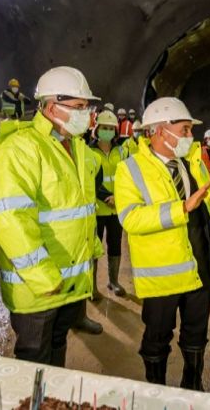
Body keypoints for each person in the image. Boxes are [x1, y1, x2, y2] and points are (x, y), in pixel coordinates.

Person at [114, 97, 210, 390]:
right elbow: (130, 218)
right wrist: (180, 209)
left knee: (197, 334)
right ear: (160, 130)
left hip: (199, 268)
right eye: (184, 130)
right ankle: (155, 389)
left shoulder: (193, 163)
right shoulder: (130, 169)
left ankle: (192, 385)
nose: (190, 137)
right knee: (157, 336)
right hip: (163, 274)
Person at [0, 66, 103, 364]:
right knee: (34, 357)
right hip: (36, 288)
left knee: (57, 348)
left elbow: (81, 211)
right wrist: (44, 278)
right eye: (79, 107)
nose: (86, 113)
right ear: (52, 107)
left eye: (87, 107)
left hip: (68, 282)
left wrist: (91, 251)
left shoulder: (78, 148)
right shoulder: (20, 149)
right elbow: (11, 221)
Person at [89, 110, 127, 296]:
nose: (108, 131)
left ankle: (114, 282)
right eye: (104, 128)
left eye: (111, 128)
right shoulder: (88, 151)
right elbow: (89, 180)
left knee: (115, 245)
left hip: (116, 209)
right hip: (97, 209)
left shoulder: (121, 151)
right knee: (94, 249)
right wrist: (106, 197)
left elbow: (127, 179)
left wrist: (118, 197)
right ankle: (92, 287)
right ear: (97, 129)